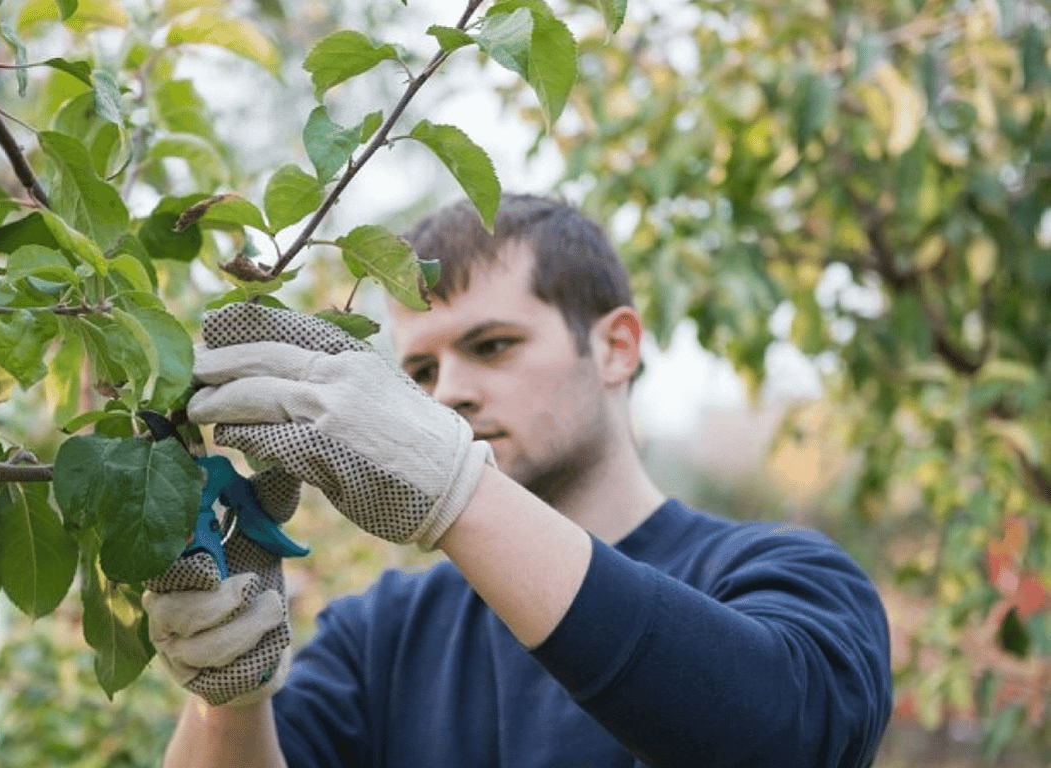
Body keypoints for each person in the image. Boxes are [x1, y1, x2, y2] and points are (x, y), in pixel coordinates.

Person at [143, 194, 893, 767]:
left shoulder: (787, 577)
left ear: (616, 348)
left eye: (493, 346)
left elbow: (780, 738)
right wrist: (231, 700)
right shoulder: (378, 637)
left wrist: (457, 488)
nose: (450, 394)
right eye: (422, 371)